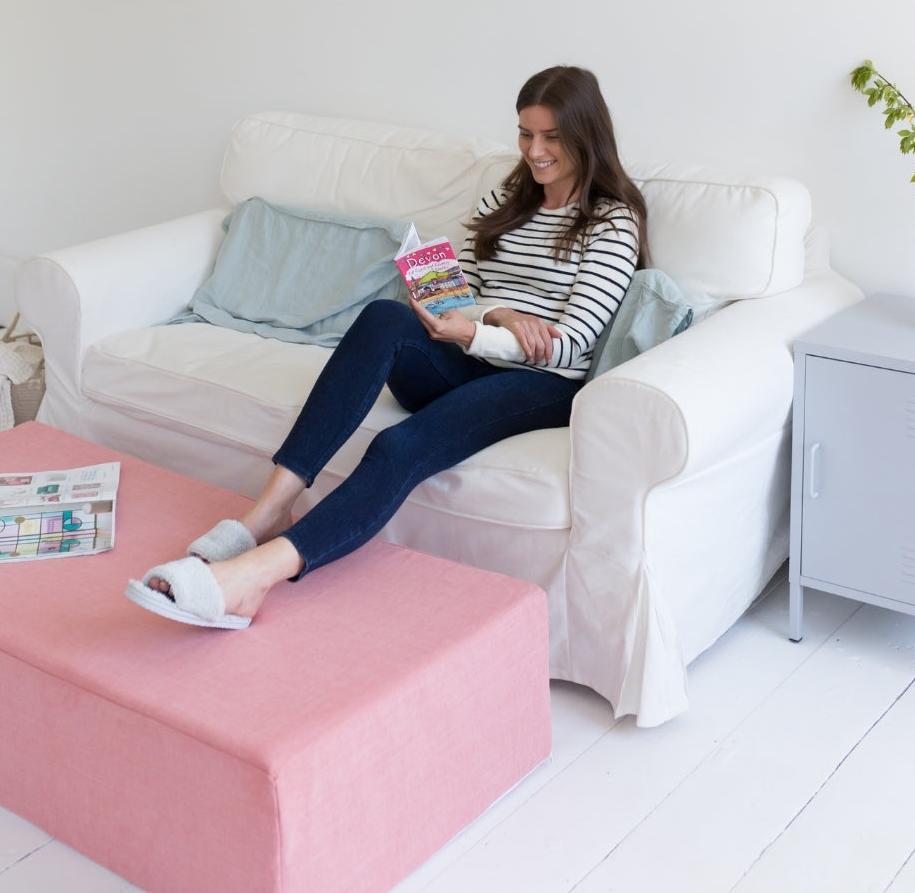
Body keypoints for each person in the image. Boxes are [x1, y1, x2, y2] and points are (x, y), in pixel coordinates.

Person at [125, 65, 649, 628]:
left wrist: (475, 330)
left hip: (539, 385)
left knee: (401, 446)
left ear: (586, 134)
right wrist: (495, 313)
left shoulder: (612, 222)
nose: (535, 151)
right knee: (385, 316)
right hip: (468, 351)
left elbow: (569, 348)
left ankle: (254, 578)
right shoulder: (510, 194)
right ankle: (269, 509)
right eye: (525, 133)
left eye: (551, 137)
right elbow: (460, 288)